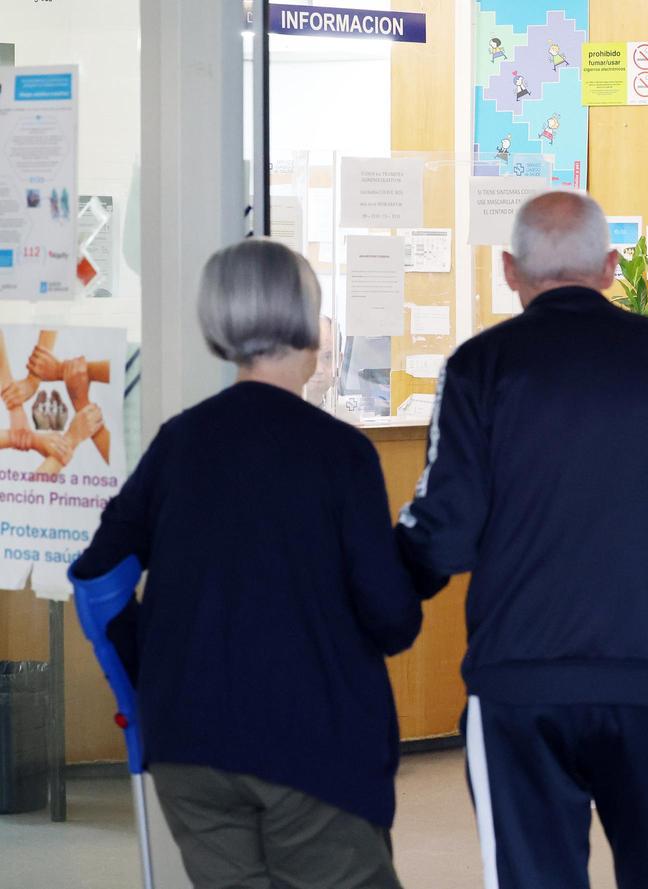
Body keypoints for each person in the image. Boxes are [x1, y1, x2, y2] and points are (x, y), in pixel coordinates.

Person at [395, 192, 648, 889]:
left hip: (520, 683)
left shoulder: (479, 366)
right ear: (611, 266)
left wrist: (370, 599)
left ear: (508, 269)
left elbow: (443, 531)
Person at [71, 239, 423, 889]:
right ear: (306, 319)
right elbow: (392, 619)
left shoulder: (179, 442)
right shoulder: (339, 453)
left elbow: (97, 576)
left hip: (188, 743)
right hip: (310, 742)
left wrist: (146, 684)